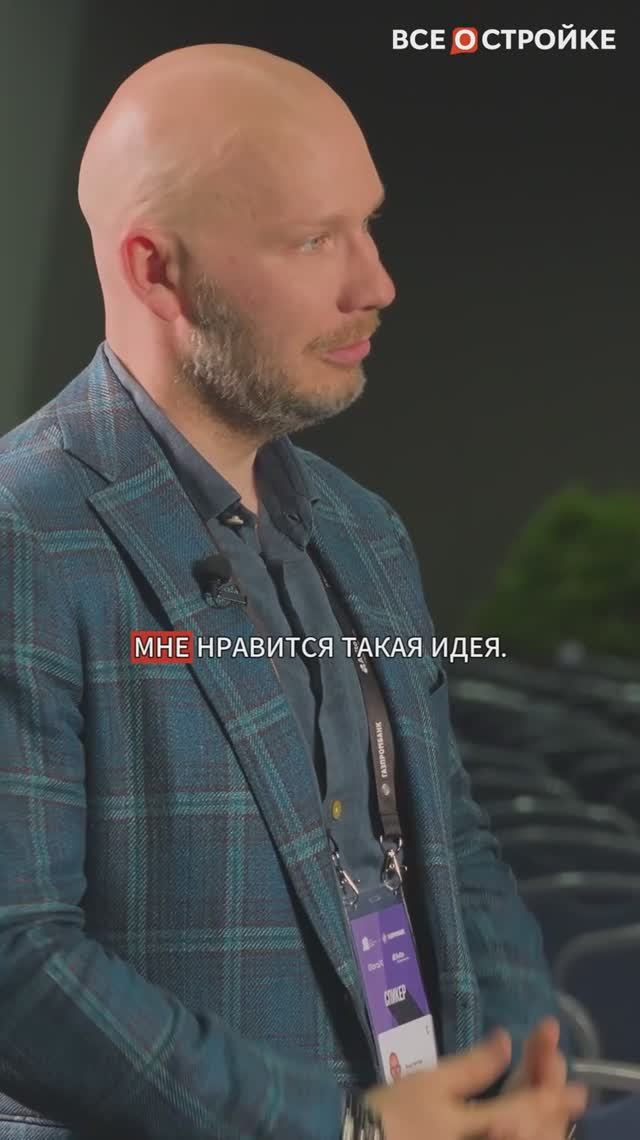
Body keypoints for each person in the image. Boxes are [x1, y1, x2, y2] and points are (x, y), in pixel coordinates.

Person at [0, 42, 587, 1140]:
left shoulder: (365, 531)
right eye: (314, 239)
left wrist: (501, 1073)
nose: (376, 284)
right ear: (156, 272)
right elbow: (17, 958)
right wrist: (349, 1126)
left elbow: (449, 836)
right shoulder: (23, 533)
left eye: (367, 224)